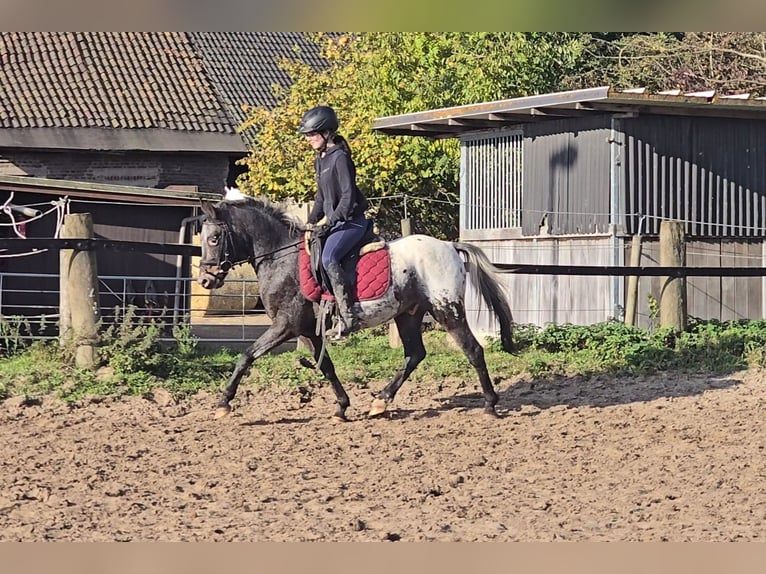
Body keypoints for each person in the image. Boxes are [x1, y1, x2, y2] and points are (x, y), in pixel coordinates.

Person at [299, 105, 369, 337]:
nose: (308, 139)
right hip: (336, 222)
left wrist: (330, 222)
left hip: (352, 222)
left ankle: (348, 316)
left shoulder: (340, 157)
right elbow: (321, 198)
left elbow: (348, 197)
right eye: (307, 135)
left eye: (311, 134)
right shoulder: (320, 160)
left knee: (329, 257)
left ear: (327, 133)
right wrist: (310, 222)